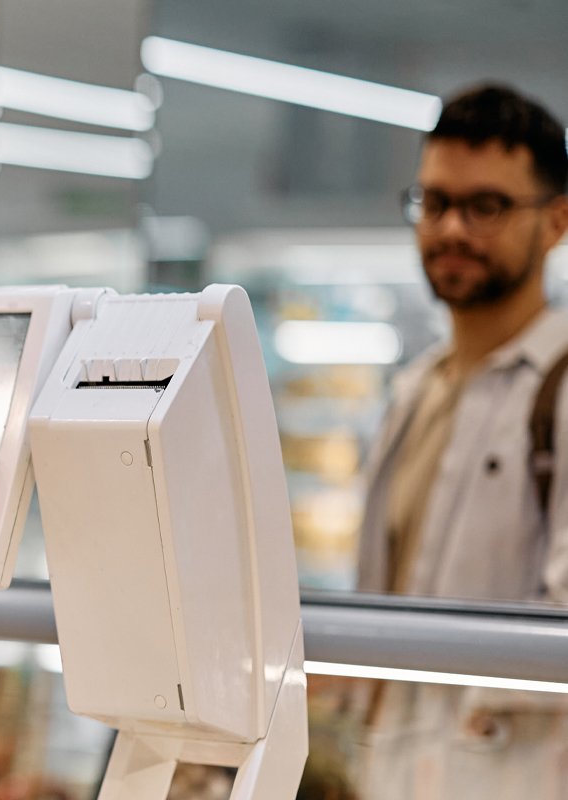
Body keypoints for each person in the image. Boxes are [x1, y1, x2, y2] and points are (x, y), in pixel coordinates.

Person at [354, 84, 568, 798]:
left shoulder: (559, 387)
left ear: (558, 221)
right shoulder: (415, 392)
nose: (451, 230)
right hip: (388, 770)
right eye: (435, 202)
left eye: (487, 206)